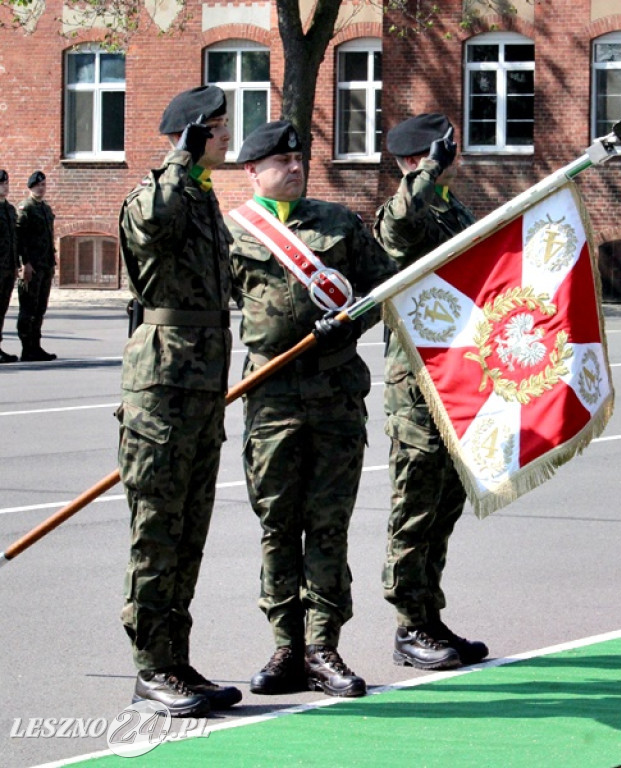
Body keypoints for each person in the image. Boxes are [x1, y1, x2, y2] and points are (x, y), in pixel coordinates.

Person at [227, 120, 396, 697]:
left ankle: (324, 648)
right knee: (277, 524)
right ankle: (285, 648)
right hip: (270, 401)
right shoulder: (233, 233)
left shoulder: (339, 223)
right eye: (281, 162)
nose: (295, 168)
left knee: (327, 525)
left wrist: (349, 320)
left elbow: (382, 289)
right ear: (252, 172)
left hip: (334, 394)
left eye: (299, 159)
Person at [117, 85, 241, 717]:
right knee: (156, 533)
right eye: (217, 127)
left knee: (190, 532)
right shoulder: (154, 196)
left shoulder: (203, 199)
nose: (227, 136)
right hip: (161, 393)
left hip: (202, 392)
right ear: (192, 133)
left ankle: (176, 658)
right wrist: (178, 159)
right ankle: (149, 667)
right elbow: (151, 227)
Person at [374, 113, 488, 670]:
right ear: (418, 160)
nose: (452, 158)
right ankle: (408, 626)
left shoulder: (451, 208)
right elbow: (396, 231)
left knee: (446, 503)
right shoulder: (403, 210)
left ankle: (429, 613)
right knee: (415, 504)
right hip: (418, 383)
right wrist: (422, 178)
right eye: (441, 153)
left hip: (461, 376)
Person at [15, 170, 56, 361]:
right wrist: (25, 263)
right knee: (28, 307)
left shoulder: (45, 209)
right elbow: (20, 238)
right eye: (38, 185)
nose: (41, 188)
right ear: (31, 187)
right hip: (32, 265)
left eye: (44, 185)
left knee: (40, 307)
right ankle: (26, 346)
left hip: (45, 264)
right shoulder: (26, 208)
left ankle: (36, 345)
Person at [0, 170, 17, 363]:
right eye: (1, 183)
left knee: (2, 309)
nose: (5, 185)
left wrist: (17, 264)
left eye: (6, 182)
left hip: (8, 266)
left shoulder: (10, 210)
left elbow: (15, 240)